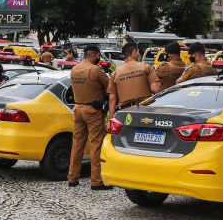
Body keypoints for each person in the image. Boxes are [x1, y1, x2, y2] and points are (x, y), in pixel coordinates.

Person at [68, 45, 112, 190]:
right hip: (92, 110)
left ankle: (72, 177)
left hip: (78, 108)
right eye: (99, 55)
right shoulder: (96, 69)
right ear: (94, 55)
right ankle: (97, 181)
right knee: (95, 144)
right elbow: (109, 86)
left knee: (77, 144)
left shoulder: (75, 69)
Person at [107, 43, 161, 113]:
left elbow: (112, 99)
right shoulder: (146, 67)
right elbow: (156, 89)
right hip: (144, 109)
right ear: (134, 51)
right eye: (138, 52)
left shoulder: (115, 73)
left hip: (125, 111)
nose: (139, 55)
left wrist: (112, 118)